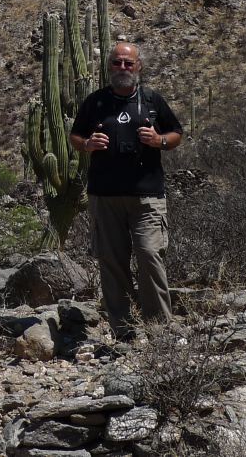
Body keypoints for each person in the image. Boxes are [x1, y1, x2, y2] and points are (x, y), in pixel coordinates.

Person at [69, 40, 183, 341]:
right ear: (109, 67)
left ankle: (159, 329)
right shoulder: (95, 102)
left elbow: (176, 134)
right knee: (111, 261)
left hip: (147, 195)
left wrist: (158, 140)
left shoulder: (152, 100)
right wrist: (87, 145)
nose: (122, 68)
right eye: (117, 62)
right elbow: (75, 136)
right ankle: (123, 332)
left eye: (128, 63)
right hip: (105, 196)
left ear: (139, 67)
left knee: (149, 255)